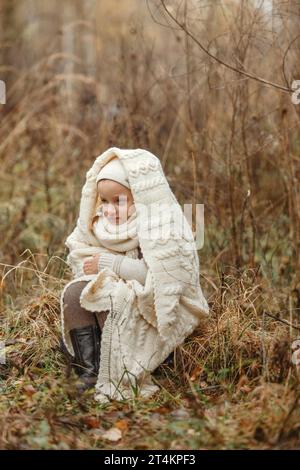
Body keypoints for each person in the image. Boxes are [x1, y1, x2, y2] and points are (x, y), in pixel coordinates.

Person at [60, 147, 209, 402]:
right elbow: (82, 257)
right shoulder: (102, 226)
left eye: (118, 201)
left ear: (140, 197)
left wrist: (110, 264)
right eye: (104, 201)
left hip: (151, 308)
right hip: (116, 298)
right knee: (75, 292)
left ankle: (122, 368)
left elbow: (159, 278)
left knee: (116, 295)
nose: (109, 210)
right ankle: (90, 369)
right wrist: (96, 270)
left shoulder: (163, 226)